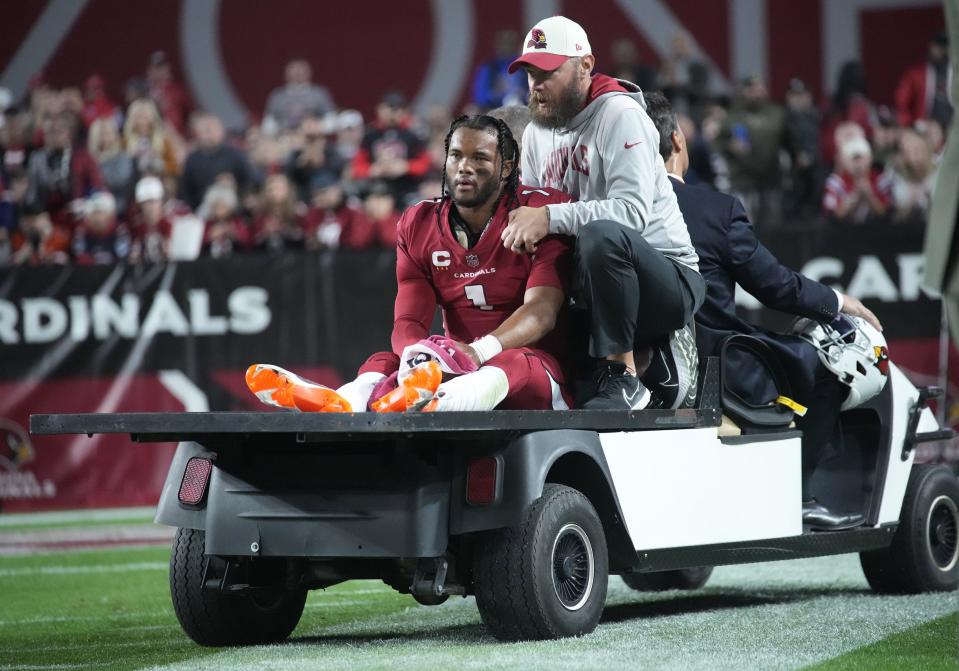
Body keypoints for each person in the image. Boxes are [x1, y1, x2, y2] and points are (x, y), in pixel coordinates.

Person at [645, 90, 879, 530]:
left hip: (633, 366)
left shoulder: (605, 209)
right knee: (828, 366)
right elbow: (776, 286)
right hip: (713, 365)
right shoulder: (715, 209)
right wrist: (836, 301)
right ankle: (800, 496)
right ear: (677, 140)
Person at [253, 115, 577, 414]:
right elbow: (408, 318)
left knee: (513, 361)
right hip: (459, 364)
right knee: (387, 359)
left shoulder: (541, 210)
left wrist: (479, 351)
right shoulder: (419, 222)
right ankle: (347, 399)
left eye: (479, 157)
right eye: (456, 156)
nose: (464, 167)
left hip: (534, 371)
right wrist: (416, 356)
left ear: (506, 168)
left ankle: (433, 402)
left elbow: (542, 312)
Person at [502, 15, 704, 411]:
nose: (536, 85)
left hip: (666, 277)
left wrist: (548, 218)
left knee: (601, 233)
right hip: (594, 286)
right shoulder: (537, 133)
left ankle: (624, 376)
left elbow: (631, 215)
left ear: (586, 66)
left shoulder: (620, 115)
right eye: (530, 73)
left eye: (548, 72)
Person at [179, 112, 256, 210]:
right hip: (202, 210)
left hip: (232, 209)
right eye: (205, 131)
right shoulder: (192, 159)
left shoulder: (233, 154)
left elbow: (250, 178)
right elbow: (185, 189)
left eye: (211, 130)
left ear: (221, 131)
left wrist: (236, 187)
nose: (207, 135)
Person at [822, 136, 891, 224]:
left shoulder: (880, 179)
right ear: (844, 161)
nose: (858, 164)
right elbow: (832, 216)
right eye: (853, 159)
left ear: (870, 158)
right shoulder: (836, 182)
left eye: (861, 158)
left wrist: (869, 196)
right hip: (844, 233)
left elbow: (887, 214)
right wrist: (854, 197)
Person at [896, 31, 952, 130]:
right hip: (924, 126)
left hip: (952, 125)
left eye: (943, 46)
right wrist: (911, 125)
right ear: (931, 46)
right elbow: (901, 101)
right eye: (937, 46)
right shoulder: (916, 73)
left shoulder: (954, 72)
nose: (940, 50)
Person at [263, 59, 336, 134]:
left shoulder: (319, 94)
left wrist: (318, 127)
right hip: (283, 139)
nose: (298, 72)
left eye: (301, 69)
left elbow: (331, 121)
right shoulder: (277, 96)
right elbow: (268, 124)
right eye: (294, 69)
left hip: (311, 139)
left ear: (309, 72)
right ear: (286, 73)